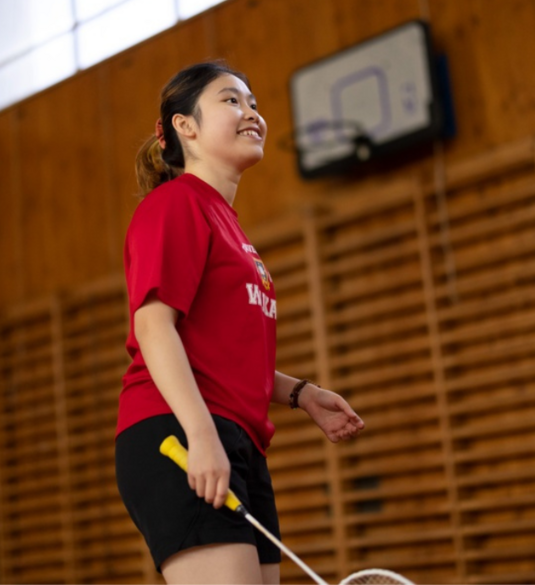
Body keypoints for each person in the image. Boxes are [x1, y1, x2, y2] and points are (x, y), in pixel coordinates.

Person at [115, 61, 364, 585]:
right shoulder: (176, 204)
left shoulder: (229, 228)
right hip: (177, 432)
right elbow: (154, 327)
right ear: (186, 127)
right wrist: (200, 434)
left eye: (253, 103)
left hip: (236, 438)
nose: (251, 113)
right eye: (231, 101)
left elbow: (217, 351)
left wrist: (301, 394)